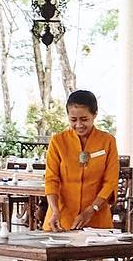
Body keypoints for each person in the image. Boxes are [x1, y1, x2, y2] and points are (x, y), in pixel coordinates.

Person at [43, 89, 120, 231]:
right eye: (73, 120)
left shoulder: (108, 141)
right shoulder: (58, 141)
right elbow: (51, 179)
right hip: (61, 220)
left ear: (94, 114)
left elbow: (110, 182)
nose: (78, 125)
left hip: (97, 221)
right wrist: (55, 210)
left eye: (84, 119)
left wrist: (91, 209)